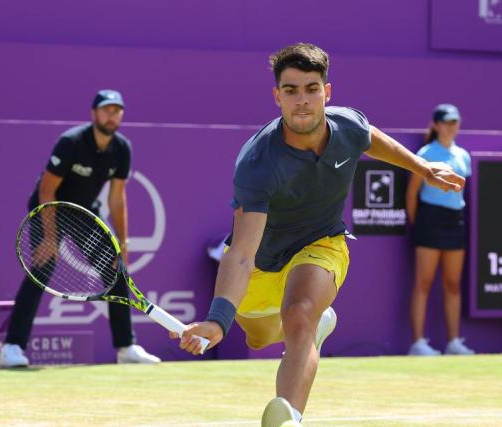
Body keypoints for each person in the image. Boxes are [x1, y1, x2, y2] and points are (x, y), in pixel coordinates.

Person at [170, 43, 465, 426]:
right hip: (264, 256)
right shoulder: (257, 163)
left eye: (312, 88)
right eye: (291, 90)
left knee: (299, 315)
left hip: (322, 241)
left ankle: (289, 417)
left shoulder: (347, 126)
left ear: (327, 92)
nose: (302, 100)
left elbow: (369, 137)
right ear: (277, 97)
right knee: (260, 337)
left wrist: (423, 168)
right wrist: (218, 320)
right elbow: (242, 252)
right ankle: (313, 327)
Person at [0, 90, 161, 367]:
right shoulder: (71, 142)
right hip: (49, 208)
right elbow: (46, 190)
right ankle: (11, 348)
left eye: (117, 110)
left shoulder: (122, 148)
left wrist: (123, 241)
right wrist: (50, 238)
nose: (112, 115)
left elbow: (117, 198)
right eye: (106, 109)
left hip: (85, 212)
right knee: (42, 270)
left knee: (115, 269)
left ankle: (125, 347)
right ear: (94, 114)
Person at [405, 104, 474, 356]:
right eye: (445, 122)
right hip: (429, 219)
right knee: (423, 283)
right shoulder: (425, 152)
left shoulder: (463, 156)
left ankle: (454, 342)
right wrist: (420, 223)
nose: (450, 126)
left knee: (453, 284)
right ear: (435, 125)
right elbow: (412, 194)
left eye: (454, 121)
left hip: (455, 220)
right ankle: (418, 343)